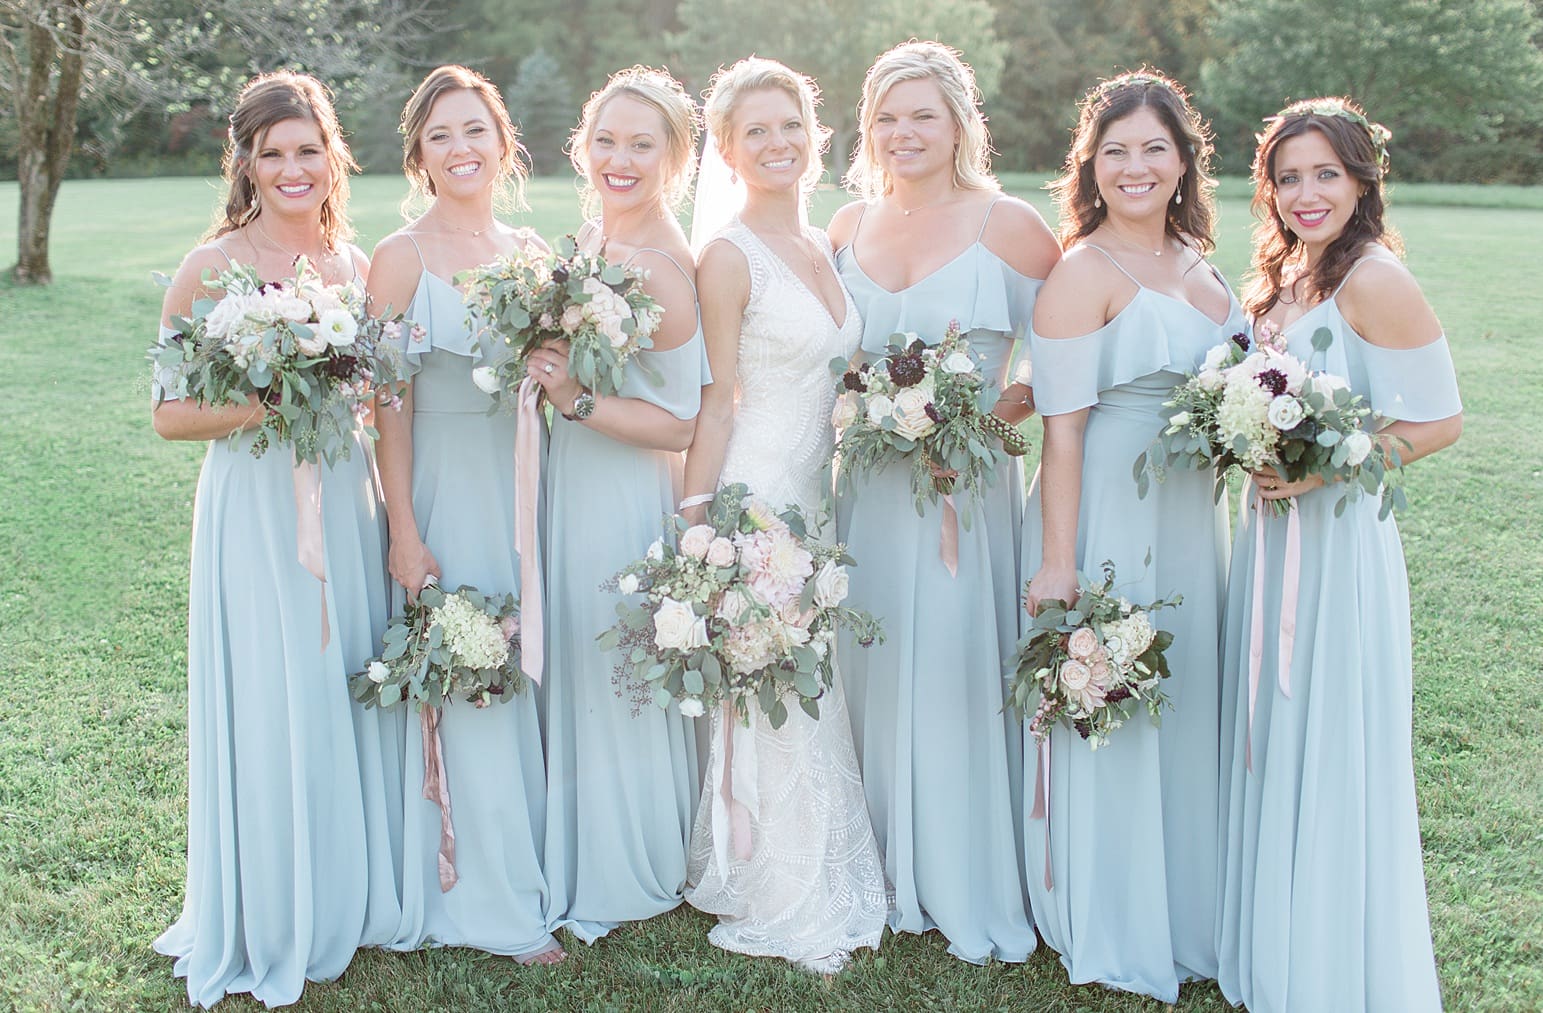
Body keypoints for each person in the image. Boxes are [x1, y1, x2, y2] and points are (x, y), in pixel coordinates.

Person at [150, 70, 399, 1006]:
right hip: (255, 510)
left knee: (338, 689)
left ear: (332, 157)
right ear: (245, 163)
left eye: (308, 150)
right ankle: (271, 906)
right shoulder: (211, 265)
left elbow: (378, 398)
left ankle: (347, 888)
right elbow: (171, 415)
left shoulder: (357, 264)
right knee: (272, 694)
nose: (293, 168)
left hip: (346, 496)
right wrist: (272, 392)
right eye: (273, 152)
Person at [1215, 98, 1460, 1013]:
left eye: (1325, 173)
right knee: (1271, 736)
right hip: (1267, 540)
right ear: (1267, 190)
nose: (1305, 193)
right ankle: (1272, 946)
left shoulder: (1371, 277)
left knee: (1331, 742)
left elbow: (1439, 420)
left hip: (1338, 548)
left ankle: (1330, 969)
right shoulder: (1281, 278)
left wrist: (1323, 468)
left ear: (1360, 179)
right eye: (1287, 177)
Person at [826, 40, 1060, 965]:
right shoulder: (846, 224)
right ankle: (871, 858)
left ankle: (961, 865)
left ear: (960, 121)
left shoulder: (1007, 223)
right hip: (869, 493)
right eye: (886, 115)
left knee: (954, 672)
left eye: (922, 113)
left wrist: (975, 415)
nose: (903, 132)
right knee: (871, 668)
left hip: (964, 492)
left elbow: (1065, 354)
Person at [1020, 70, 1242, 1001]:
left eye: (1154, 147)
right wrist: (1060, 562)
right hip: (1112, 504)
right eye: (1114, 151)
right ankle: (1113, 912)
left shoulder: (1200, 260)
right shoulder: (1080, 273)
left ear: (1184, 160)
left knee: (1183, 700)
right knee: (1116, 694)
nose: (1135, 165)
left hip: (1193, 516)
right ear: (1091, 166)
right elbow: (1060, 428)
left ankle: (1186, 904)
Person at [678, 56, 887, 974]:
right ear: (725, 149)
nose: (776, 143)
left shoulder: (824, 246)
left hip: (816, 494)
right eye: (754, 130)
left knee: (807, 680)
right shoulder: (726, 256)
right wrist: (701, 524)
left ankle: (803, 857)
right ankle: (776, 882)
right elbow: (716, 400)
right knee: (772, 687)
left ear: (816, 136)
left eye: (789, 125)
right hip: (756, 499)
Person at [367, 65, 563, 965]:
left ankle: (526, 862)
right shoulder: (400, 258)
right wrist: (404, 530)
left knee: (519, 664)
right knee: (465, 663)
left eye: (475, 130)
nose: (461, 149)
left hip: (526, 479)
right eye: (441, 134)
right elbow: (387, 408)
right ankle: (478, 894)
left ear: (502, 140)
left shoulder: (530, 249)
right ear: (419, 154)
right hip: (445, 485)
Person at [530, 66, 708, 944]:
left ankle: (626, 853)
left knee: (613, 665)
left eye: (642, 144)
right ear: (583, 146)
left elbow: (681, 422)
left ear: (675, 157)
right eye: (606, 140)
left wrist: (577, 403)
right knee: (575, 652)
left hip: (621, 487)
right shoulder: (593, 237)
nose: (620, 158)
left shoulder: (668, 266)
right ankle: (572, 837)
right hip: (568, 480)